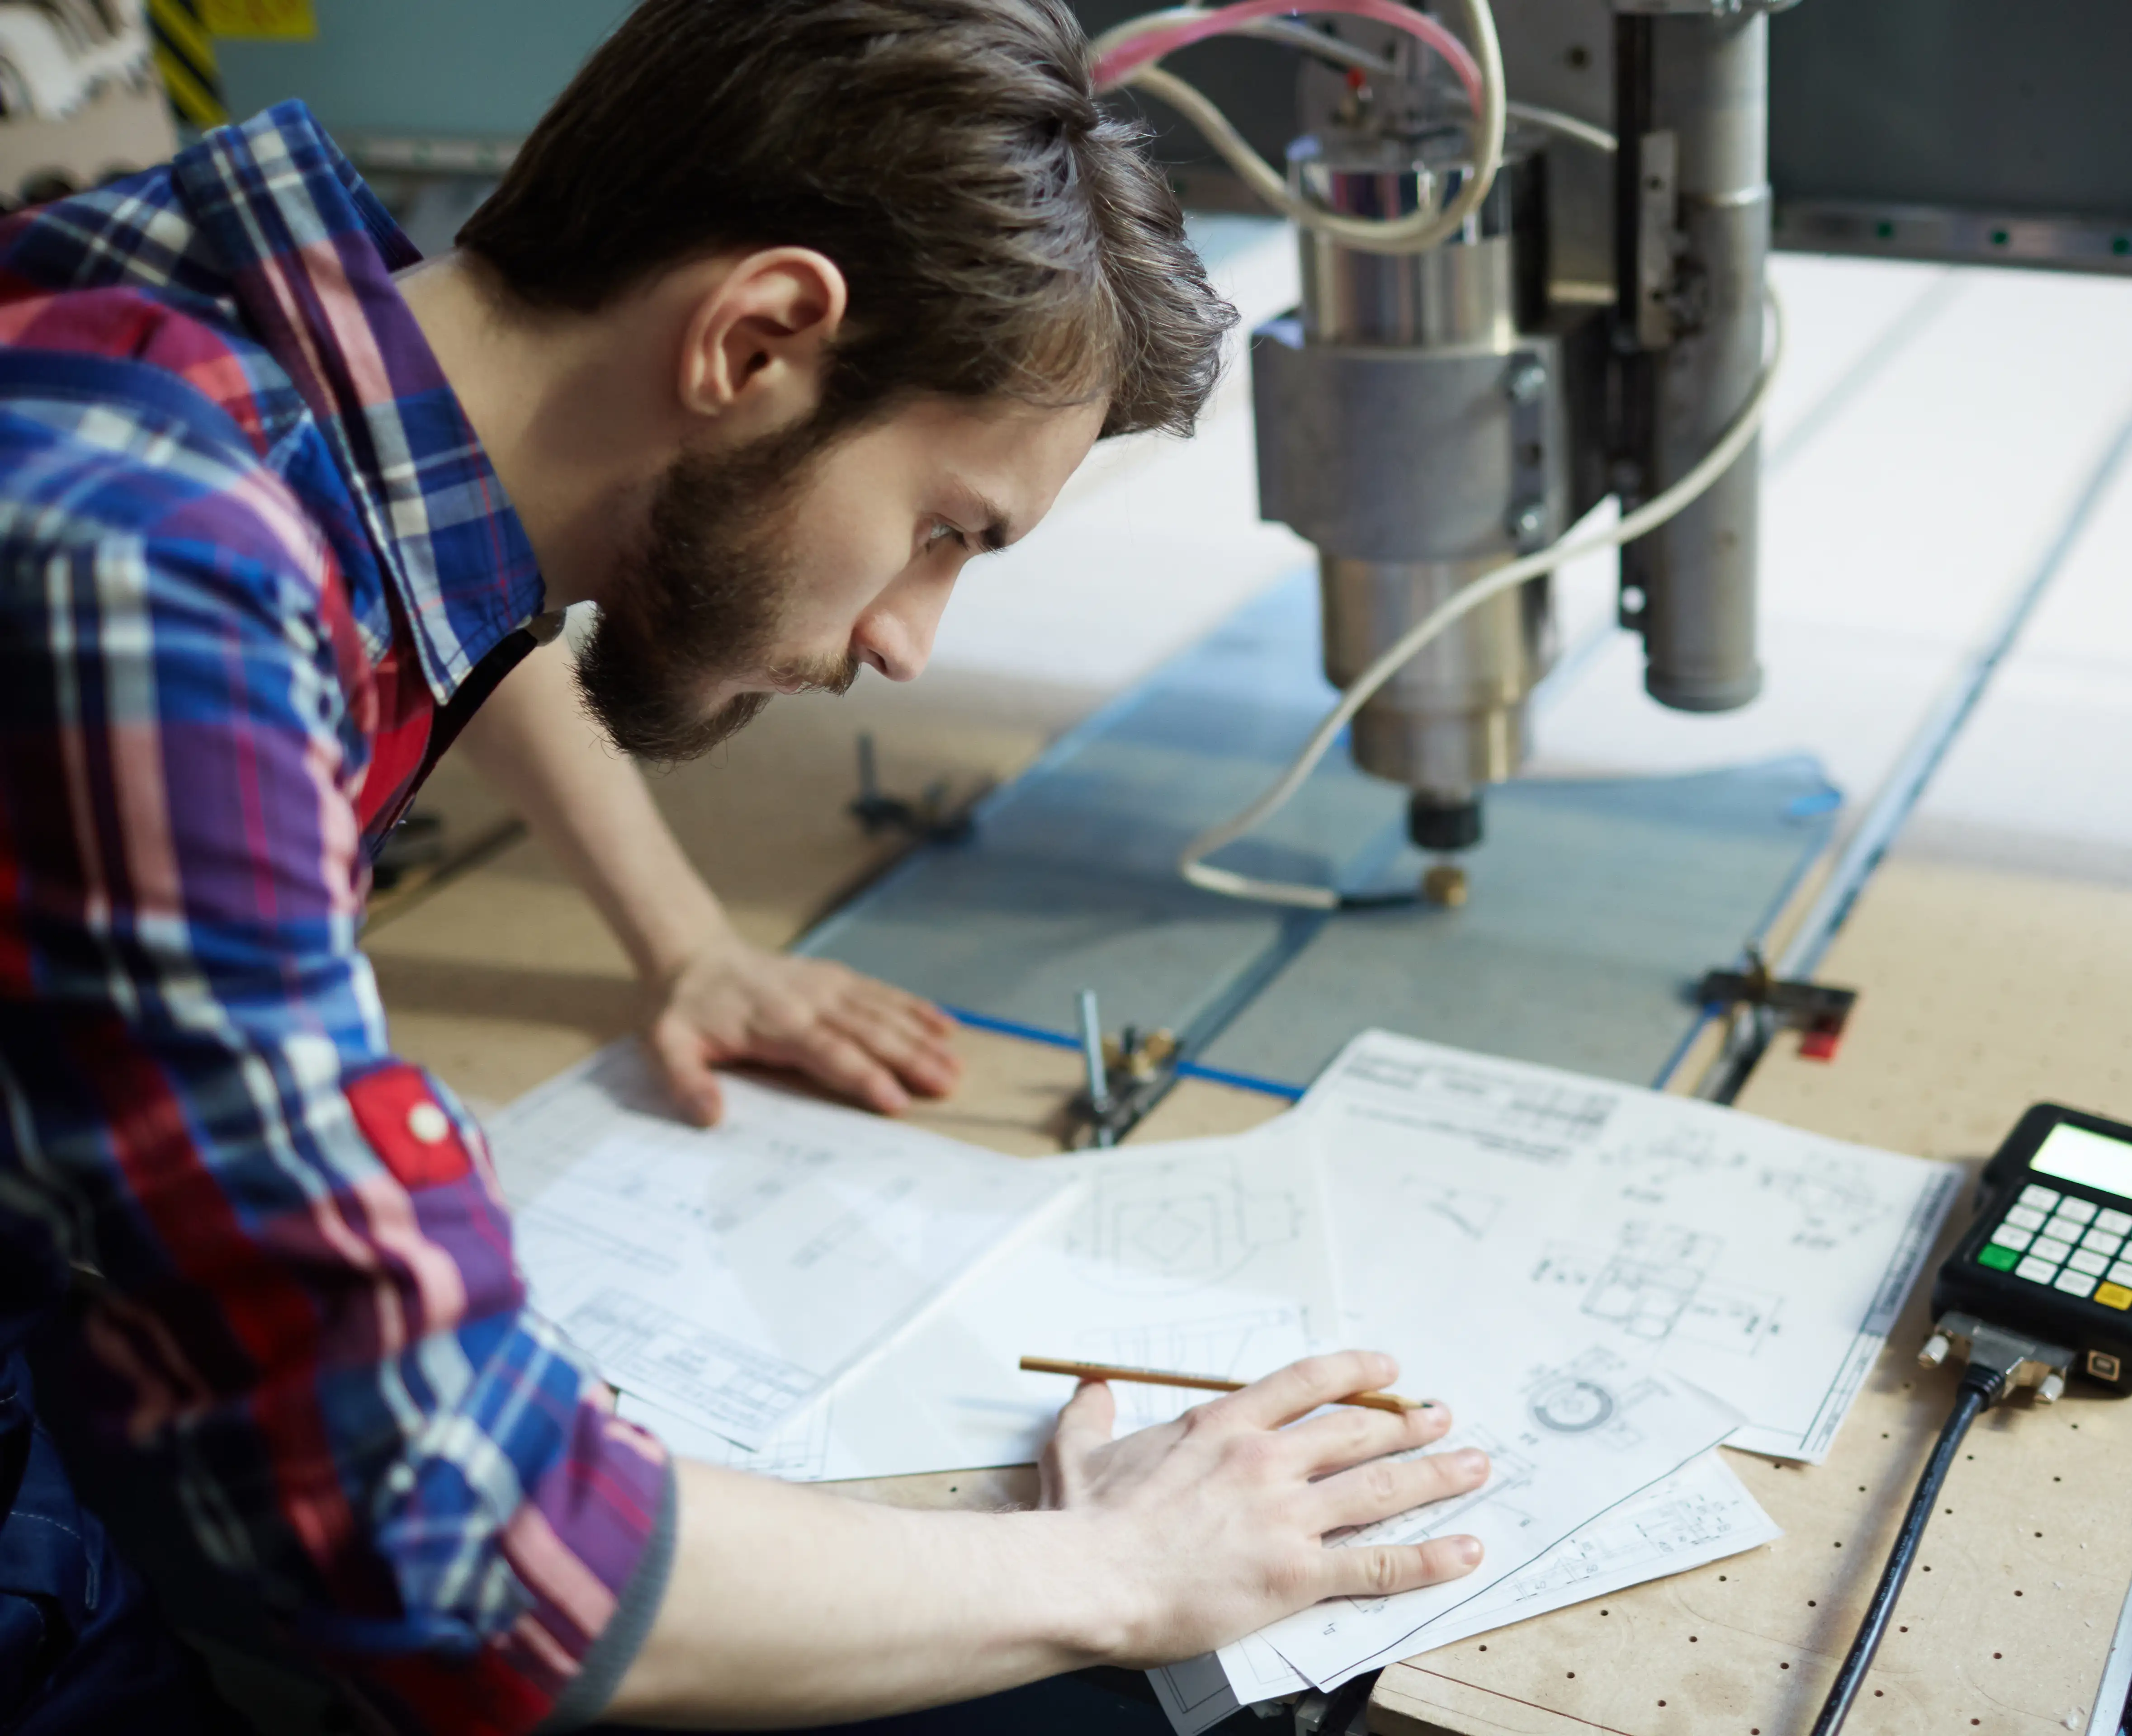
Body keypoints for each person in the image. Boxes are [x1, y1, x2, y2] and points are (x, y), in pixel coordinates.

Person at [0, 1, 1492, 1730]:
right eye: (944, 529)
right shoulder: (145, 571)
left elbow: (439, 588)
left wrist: (684, 939)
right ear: (760, 335)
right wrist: (1123, 1569)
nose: (911, 639)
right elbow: (469, 1553)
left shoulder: (227, 344)